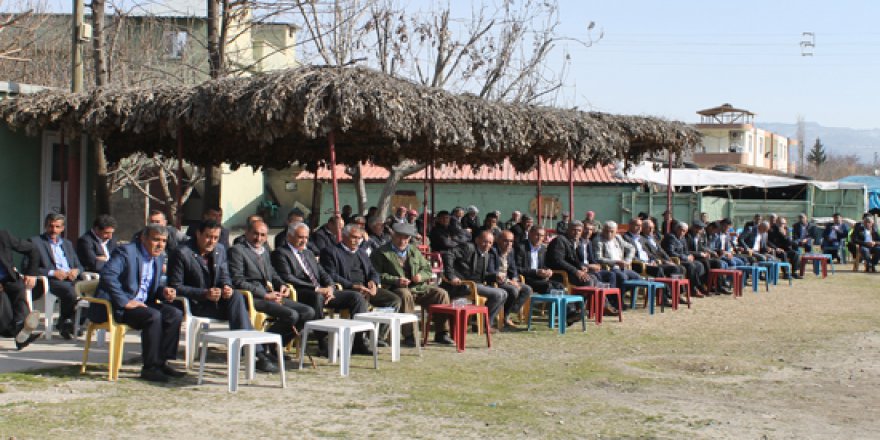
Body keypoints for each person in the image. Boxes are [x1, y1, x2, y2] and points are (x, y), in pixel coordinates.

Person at [167, 219, 278, 372]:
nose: (211, 241)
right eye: (208, 236)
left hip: (218, 302)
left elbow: (225, 275)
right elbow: (175, 286)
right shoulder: (181, 253)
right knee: (240, 309)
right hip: (195, 304)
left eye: (215, 237)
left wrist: (227, 287)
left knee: (236, 297)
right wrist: (204, 293)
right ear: (198, 234)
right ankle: (255, 353)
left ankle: (253, 352)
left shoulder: (219, 250)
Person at [88, 224, 185, 382]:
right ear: (143, 238)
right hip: (119, 306)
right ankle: (150, 368)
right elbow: (108, 276)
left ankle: (161, 362)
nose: (160, 245)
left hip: (143, 303)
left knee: (174, 313)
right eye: (155, 240)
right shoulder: (126, 252)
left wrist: (163, 292)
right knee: (153, 316)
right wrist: (125, 301)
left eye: (164, 241)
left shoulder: (159, 257)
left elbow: (147, 286)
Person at [270, 222, 372, 355]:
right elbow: (288, 278)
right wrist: (316, 289)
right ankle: (323, 341)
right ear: (289, 237)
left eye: (306, 237)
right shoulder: (281, 253)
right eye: (300, 237)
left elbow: (323, 273)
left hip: (322, 291)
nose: (304, 241)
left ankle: (358, 341)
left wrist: (330, 286)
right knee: (316, 297)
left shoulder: (308, 253)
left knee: (356, 297)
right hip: (301, 292)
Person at [228, 220, 315, 354]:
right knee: (291, 315)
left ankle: (273, 345)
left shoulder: (264, 251)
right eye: (255, 234)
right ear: (247, 232)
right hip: (254, 297)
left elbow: (272, 273)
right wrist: (265, 295)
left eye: (263, 235)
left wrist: (282, 285)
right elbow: (237, 280)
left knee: (308, 312)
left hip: (272, 295)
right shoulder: (238, 251)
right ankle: (262, 346)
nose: (259, 238)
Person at [370, 222, 454, 346]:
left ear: (409, 238)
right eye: (399, 236)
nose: (402, 240)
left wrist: (421, 276)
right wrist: (396, 280)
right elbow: (375, 274)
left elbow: (427, 269)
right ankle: (410, 335)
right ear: (393, 235)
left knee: (441, 294)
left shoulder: (414, 250)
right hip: (395, 288)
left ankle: (442, 333)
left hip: (417, 287)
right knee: (404, 294)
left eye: (406, 238)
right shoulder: (381, 252)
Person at [320, 224, 402, 344]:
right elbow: (330, 274)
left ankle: (377, 337)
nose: (356, 241)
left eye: (359, 238)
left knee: (394, 300)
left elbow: (373, 271)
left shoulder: (362, 253)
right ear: (344, 236)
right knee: (359, 298)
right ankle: (360, 339)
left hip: (366, 287)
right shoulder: (331, 251)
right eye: (353, 237)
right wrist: (352, 286)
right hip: (347, 289)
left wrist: (374, 282)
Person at [26, 213, 83, 339]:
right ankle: (67, 322)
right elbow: (28, 266)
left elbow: (79, 265)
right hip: (52, 280)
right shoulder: (35, 242)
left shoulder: (67, 244)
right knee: (71, 292)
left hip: (71, 279)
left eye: (57, 227)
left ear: (62, 228)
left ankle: (72, 322)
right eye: (51, 226)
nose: (54, 230)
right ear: (46, 226)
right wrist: (53, 273)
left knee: (94, 290)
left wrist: (76, 271)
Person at [546, 220, 619, 314]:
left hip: (570, 271)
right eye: (574, 230)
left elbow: (573, 260)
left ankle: (603, 306)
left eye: (579, 230)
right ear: (568, 229)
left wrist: (581, 267)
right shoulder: (560, 240)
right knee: (588, 280)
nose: (576, 232)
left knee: (593, 278)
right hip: (559, 273)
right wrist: (576, 271)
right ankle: (578, 308)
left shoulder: (573, 241)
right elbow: (558, 261)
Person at [441, 230, 508, 331]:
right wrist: (451, 276)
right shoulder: (468, 247)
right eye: (485, 241)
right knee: (498, 294)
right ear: (477, 240)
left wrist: (495, 277)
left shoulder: (485, 254)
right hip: (464, 284)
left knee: (504, 293)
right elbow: (448, 254)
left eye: (490, 243)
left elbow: (481, 275)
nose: (487, 245)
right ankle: (483, 325)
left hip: (476, 284)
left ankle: (483, 323)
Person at [0, 229, 41, 350]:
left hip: (7, 279)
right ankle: (16, 330)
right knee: (3, 301)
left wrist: (31, 273)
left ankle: (20, 328)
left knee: (18, 287)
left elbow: (33, 250)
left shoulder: (3, 235)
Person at [492, 230, 532, 327]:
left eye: (511, 241)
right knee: (513, 290)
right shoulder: (492, 251)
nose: (509, 244)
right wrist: (509, 281)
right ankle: (503, 316)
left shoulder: (511, 251)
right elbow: (491, 271)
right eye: (505, 241)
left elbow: (513, 268)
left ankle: (508, 314)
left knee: (527, 289)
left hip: (508, 281)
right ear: (498, 240)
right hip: (496, 280)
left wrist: (514, 279)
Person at [660, 222, 709, 296]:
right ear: (676, 229)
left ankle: (700, 285)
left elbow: (685, 250)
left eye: (684, 231)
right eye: (680, 230)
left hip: (682, 258)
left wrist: (689, 255)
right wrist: (686, 257)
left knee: (699, 264)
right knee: (691, 266)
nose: (681, 232)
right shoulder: (671, 237)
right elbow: (670, 252)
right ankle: (692, 289)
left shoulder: (682, 238)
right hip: (674, 259)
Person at [515, 227, 564, 294]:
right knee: (548, 287)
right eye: (537, 235)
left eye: (541, 236)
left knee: (560, 286)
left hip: (539, 278)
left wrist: (548, 271)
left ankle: (564, 304)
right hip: (527, 279)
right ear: (530, 234)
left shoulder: (542, 249)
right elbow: (517, 268)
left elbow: (544, 265)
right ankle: (547, 304)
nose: (539, 238)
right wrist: (536, 272)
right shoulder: (521, 247)